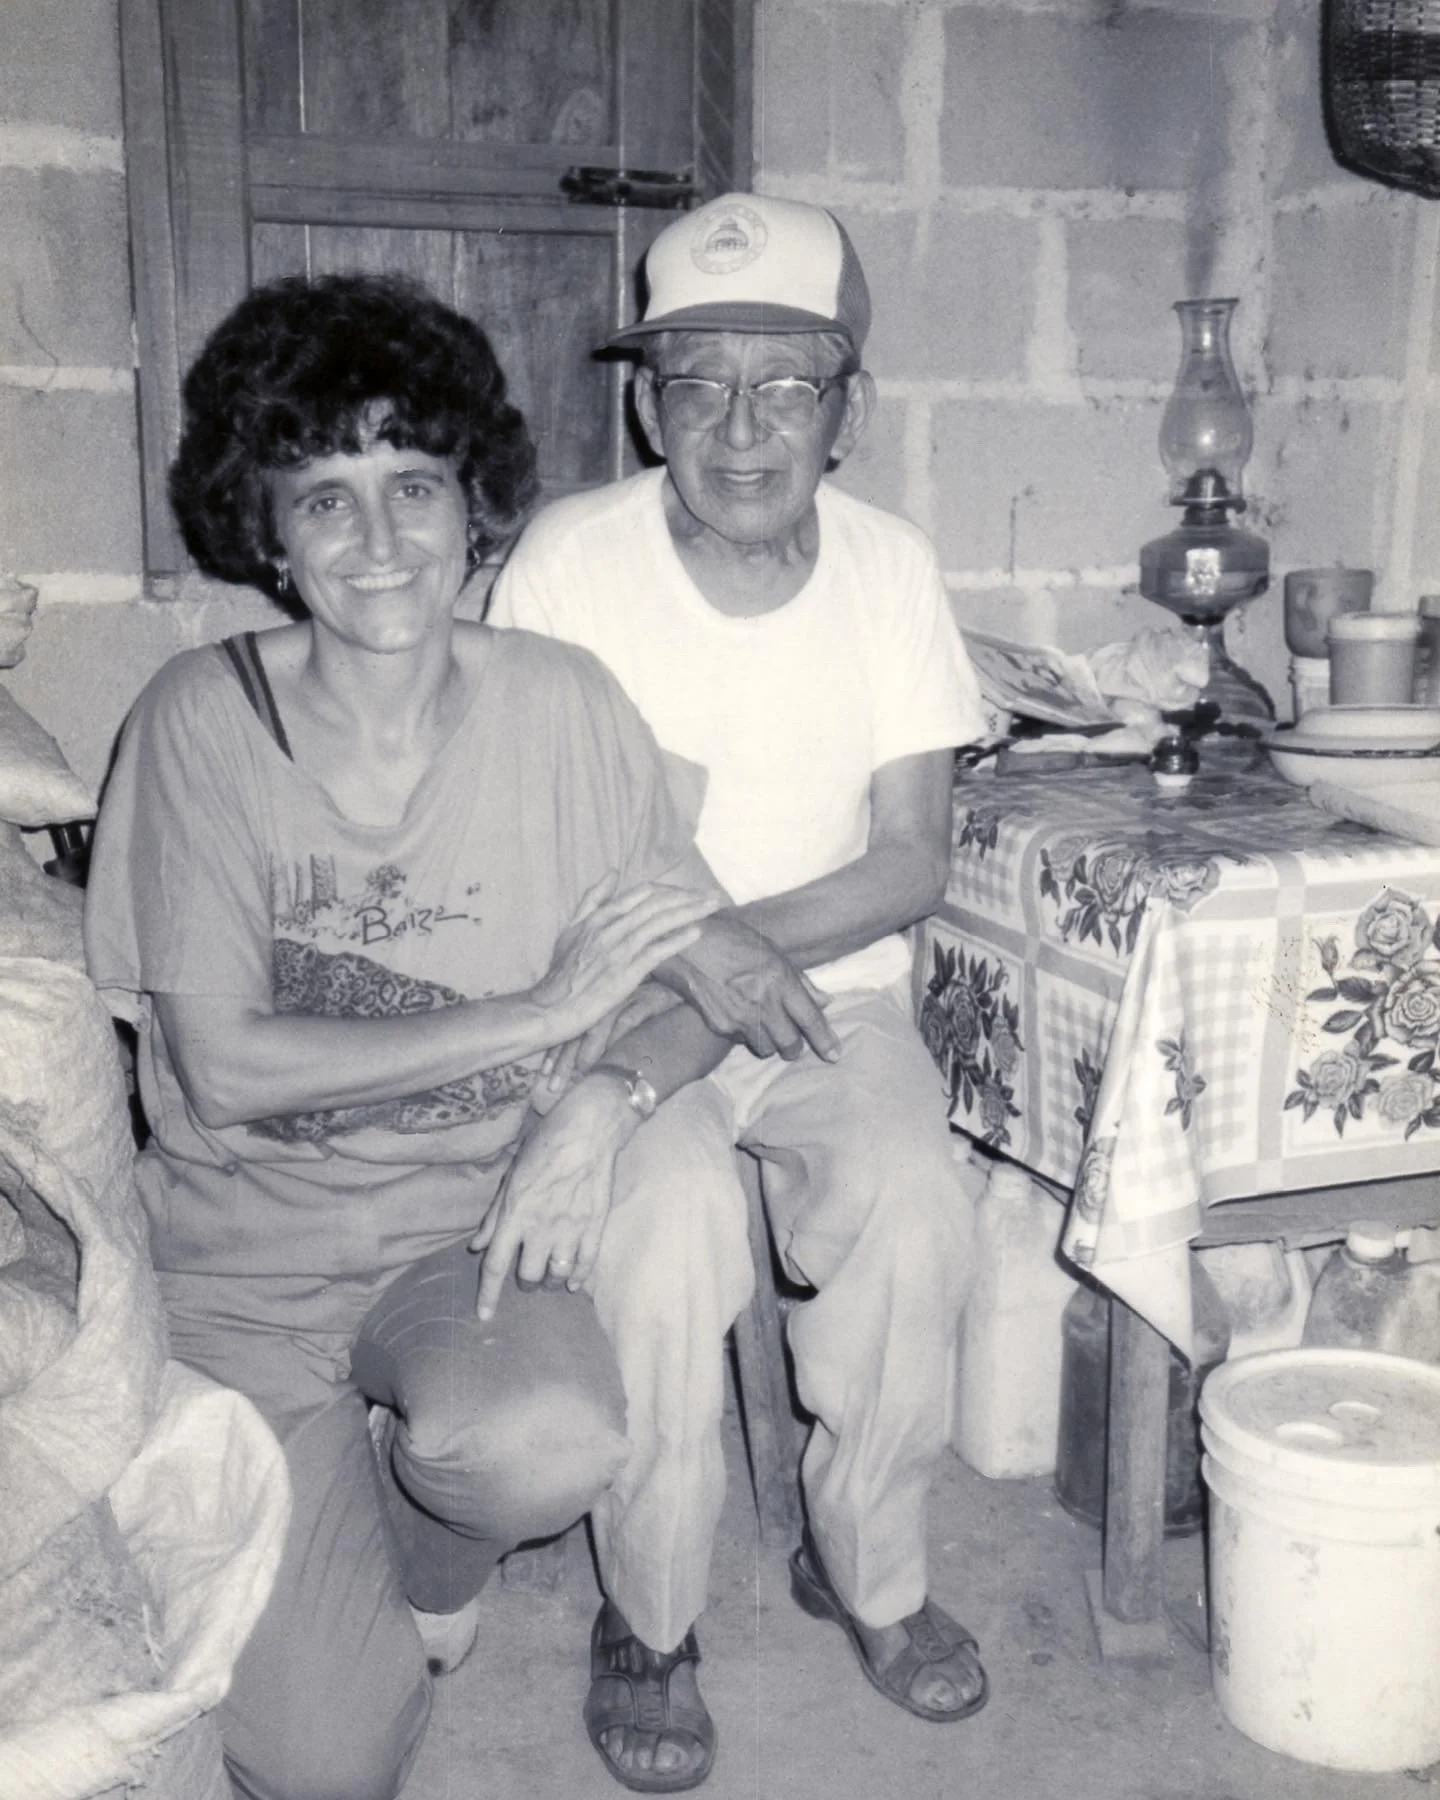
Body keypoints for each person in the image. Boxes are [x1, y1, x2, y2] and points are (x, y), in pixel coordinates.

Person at [80, 270, 825, 1800]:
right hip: (237, 1272)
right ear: (265, 529)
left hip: (467, 1246)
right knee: (318, 1765)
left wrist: (604, 1092)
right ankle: (312, 1512)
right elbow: (224, 1066)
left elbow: (702, 970)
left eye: (413, 486)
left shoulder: (565, 707)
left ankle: (428, 1562)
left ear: (474, 501)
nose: (380, 544)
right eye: (326, 499)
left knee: (542, 1443)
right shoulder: (194, 724)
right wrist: (541, 1014)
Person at [488, 191, 994, 1793]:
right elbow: (541, 847)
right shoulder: (569, 564)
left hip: (834, 999)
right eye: (698, 385)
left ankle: (869, 1567)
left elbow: (912, 859)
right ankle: (647, 1616)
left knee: (919, 1206)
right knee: (667, 1228)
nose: (742, 427)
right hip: (627, 1006)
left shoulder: (894, 568)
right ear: (647, 404)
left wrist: (744, 947)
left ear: (848, 409)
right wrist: (683, 995)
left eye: (787, 385)